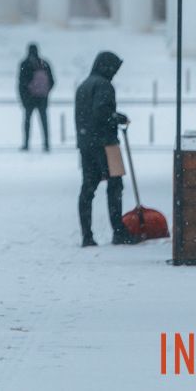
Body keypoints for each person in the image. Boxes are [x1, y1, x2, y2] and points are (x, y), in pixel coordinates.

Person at [74, 51, 135, 247]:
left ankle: (87, 235)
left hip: (86, 143)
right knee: (115, 186)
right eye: (114, 69)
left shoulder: (83, 86)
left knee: (88, 189)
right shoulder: (104, 86)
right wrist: (118, 118)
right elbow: (102, 113)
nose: (115, 73)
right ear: (106, 67)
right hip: (107, 144)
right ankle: (118, 232)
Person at [17, 43, 55, 151]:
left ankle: (26, 144)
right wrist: (45, 92)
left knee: (27, 122)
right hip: (42, 98)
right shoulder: (44, 63)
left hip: (29, 98)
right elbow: (52, 81)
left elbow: (21, 83)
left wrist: (24, 97)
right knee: (44, 121)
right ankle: (46, 143)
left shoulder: (25, 64)